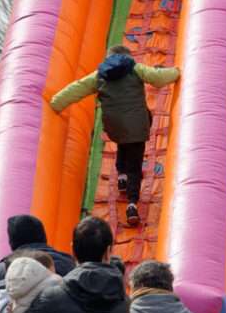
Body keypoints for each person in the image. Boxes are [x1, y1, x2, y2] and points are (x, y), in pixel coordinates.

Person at [50, 45, 181, 225]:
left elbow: (76, 89)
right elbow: (157, 78)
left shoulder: (99, 75)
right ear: (127, 56)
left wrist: (56, 103)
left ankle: (121, 176)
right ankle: (132, 203)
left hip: (115, 127)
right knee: (135, 162)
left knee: (122, 142)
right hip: (137, 127)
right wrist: (176, 72)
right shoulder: (135, 68)